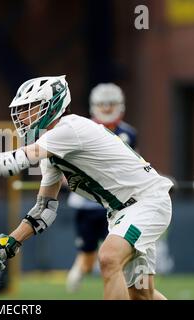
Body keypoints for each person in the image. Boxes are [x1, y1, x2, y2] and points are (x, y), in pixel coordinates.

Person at [0, 75, 173, 300]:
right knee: (142, 295)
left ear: (52, 104)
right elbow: (44, 209)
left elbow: (18, 160)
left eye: (29, 109)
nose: (23, 117)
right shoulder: (52, 150)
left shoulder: (68, 129)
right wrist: (12, 241)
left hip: (145, 202)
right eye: (21, 111)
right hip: (125, 210)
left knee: (109, 257)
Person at [66, 83, 138, 293]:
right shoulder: (83, 130)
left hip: (116, 206)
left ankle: (124, 289)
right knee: (88, 259)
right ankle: (79, 271)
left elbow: (136, 167)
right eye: (102, 104)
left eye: (111, 104)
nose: (106, 108)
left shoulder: (129, 134)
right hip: (87, 203)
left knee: (115, 257)